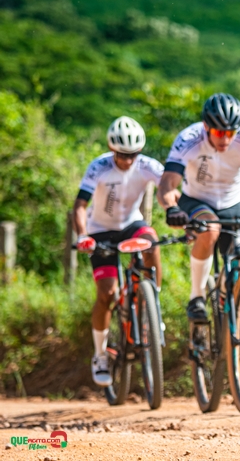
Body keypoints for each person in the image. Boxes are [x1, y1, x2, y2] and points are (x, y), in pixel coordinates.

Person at [157, 93, 240, 394]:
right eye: (218, 132)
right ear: (206, 127)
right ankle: (197, 297)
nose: (225, 139)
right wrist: (171, 207)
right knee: (210, 229)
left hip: (234, 205)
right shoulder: (188, 138)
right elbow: (168, 182)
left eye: (230, 132)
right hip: (196, 202)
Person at [74, 116, 164, 387]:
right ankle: (100, 355)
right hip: (100, 230)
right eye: (122, 155)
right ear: (112, 150)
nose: (127, 160)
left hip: (130, 225)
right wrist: (83, 235)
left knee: (152, 241)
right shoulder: (98, 167)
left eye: (132, 155)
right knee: (107, 294)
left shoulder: (147, 165)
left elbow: (170, 189)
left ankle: (152, 304)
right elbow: (80, 206)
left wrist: (177, 209)